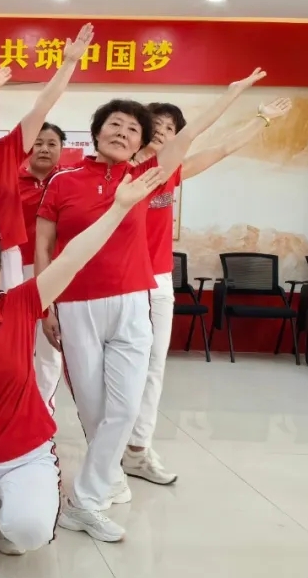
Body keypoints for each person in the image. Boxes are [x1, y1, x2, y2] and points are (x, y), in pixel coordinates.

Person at [36, 68, 267, 542]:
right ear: (97, 131)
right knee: (95, 411)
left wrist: (231, 94)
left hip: (131, 304)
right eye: (114, 125)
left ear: (142, 143)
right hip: (76, 306)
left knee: (124, 409)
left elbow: (192, 135)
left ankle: (84, 500)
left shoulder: (145, 177)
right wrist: (46, 305)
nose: (122, 133)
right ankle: (99, 487)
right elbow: (44, 246)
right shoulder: (62, 181)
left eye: (132, 129)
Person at [0, 170, 163, 578]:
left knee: (28, 533)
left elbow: (73, 257)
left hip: (26, 452)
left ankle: (11, 511)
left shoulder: (21, 303)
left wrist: (118, 208)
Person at [124, 96, 293, 486]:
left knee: (153, 367)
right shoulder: (120, 170)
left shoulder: (171, 172)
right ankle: (106, 447)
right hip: (118, 281)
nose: (161, 132)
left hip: (158, 281)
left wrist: (262, 118)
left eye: (170, 129)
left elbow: (223, 148)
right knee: (115, 370)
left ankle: (137, 449)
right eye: (155, 125)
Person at [0, 24, 95, 291]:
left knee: (9, 314)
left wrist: (69, 62)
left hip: (6, 253)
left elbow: (43, 105)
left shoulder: (8, 149)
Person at [19, 123, 66, 411]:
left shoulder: (67, 181)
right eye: (38, 143)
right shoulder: (11, 180)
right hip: (16, 270)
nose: (44, 149)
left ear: (61, 148)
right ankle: (16, 407)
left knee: (50, 343)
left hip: (57, 271)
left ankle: (43, 410)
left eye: (51, 144)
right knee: (18, 343)